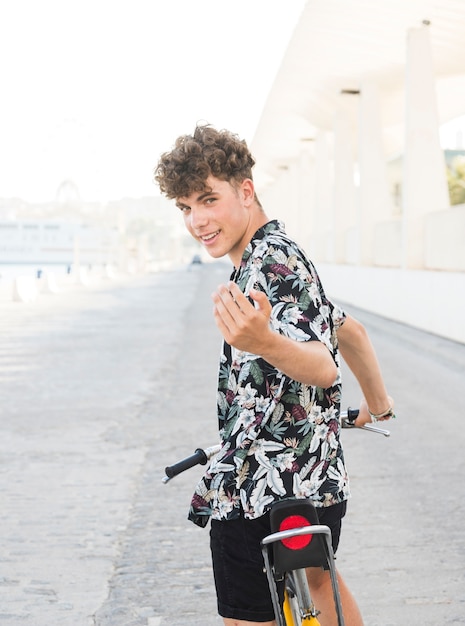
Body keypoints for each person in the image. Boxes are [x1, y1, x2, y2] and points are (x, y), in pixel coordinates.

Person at [154, 124, 395, 626]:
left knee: (247, 616)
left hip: (259, 489)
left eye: (207, 199)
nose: (197, 220)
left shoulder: (267, 263)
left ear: (245, 191)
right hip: (317, 483)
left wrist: (262, 342)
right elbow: (350, 332)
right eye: (184, 207)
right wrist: (379, 405)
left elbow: (324, 365)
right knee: (323, 581)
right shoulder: (284, 252)